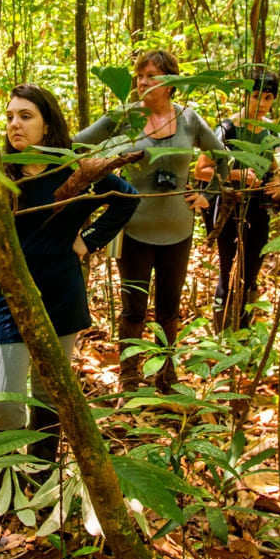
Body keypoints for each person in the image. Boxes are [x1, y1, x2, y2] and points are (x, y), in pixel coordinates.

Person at [0, 83, 139, 526]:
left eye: (25, 116)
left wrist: (89, 242)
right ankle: (1, 482)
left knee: (48, 394)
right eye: (9, 117)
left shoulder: (72, 166)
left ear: (47, 122)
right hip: (7, 299)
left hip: (60, 294)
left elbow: (126, 197)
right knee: (1, 398)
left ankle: (39, 479)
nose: (14, 125)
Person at [74, 49, 226, 396]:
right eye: (140, 76)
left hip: (178, 228)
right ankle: (129, 378)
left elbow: (222, 154)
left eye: (152, 76)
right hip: (133, 228)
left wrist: (208, 194)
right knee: (133, 308)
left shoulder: (188, 119)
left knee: (169, 309)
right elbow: (78, 145)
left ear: (171, 82)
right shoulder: (125, 117)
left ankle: (167, 375)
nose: (143, 82)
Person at [195, 68, 280, 330]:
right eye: (257, 96)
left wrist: (276, 182)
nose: (262, 104)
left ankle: (243, 334)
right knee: (229, 272)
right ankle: (222, 335)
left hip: (259, 211)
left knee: (251, 274)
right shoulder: (227, 130)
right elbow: (201, 169)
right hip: (230, 208)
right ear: (245, 96)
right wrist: (235, 173)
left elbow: (274, 169)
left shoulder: (270, 134)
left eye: (268, 98)